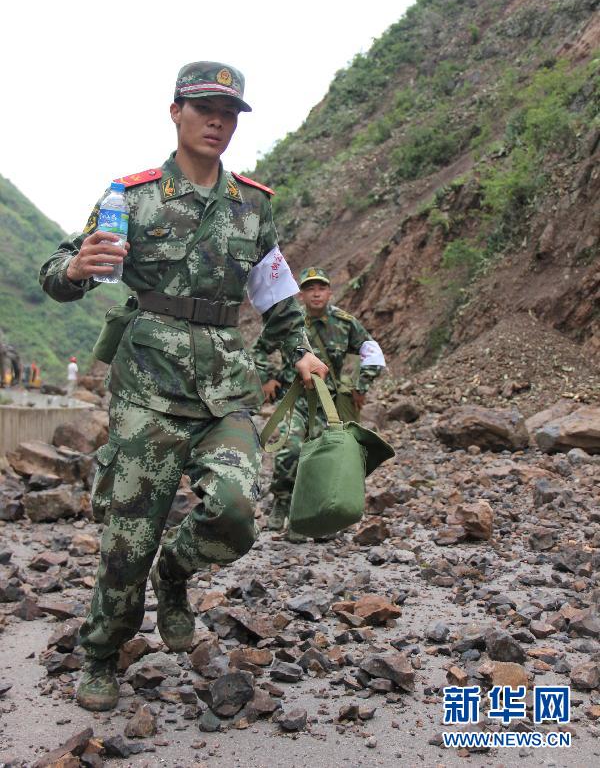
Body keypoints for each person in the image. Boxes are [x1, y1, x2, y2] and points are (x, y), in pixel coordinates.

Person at [39, 60, 327, 712]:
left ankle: (174, 574)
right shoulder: (132, 197)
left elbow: (276, 294)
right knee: (128, 538)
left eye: (228, 114)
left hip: (226, 386)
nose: (216, 123)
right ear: (177, 112)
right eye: (204, 110)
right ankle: (102, 653)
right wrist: (77, 268)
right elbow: (58, 272)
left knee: (236, 511)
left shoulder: (253, 205)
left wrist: (302, 354)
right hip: (148, 387)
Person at [253, 266, 386, 538]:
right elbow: (259, 349)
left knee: (326, 457)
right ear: (301, 295)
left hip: (328, 404)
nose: (316, 294)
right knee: (290, 450)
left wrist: (361, 386)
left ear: (330, 292)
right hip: (296, 400)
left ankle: (319, 515)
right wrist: (267, 378)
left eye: (321, 288)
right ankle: (282, 501)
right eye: (309, 289)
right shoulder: (290, 322)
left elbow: (371, 351)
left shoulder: (345, 323)